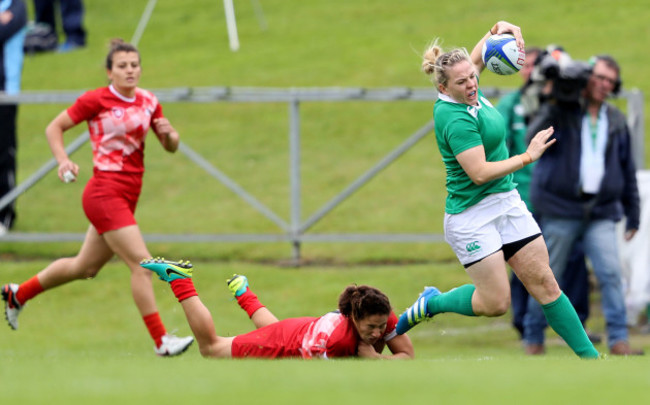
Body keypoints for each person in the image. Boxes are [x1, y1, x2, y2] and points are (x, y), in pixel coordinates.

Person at [395, 21, 600, 359]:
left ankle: (593, 361)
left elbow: (478, 55)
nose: (472, 84)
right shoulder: (453, 117)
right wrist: (527, 156)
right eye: (462, 82)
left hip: (506, 203)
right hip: (471, 216)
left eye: (473, 77)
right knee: (496, 303)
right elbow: (478, 173)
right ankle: (431, 303)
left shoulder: (465, 82)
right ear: (444, 89)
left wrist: (503, 30)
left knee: (545, 284)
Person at [1, 39, 194, 357]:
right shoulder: (97, 100)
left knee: (84, 267)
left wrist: (171, 135)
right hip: (104, 193)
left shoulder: (149, 101)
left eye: (134, 65)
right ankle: (162, 340)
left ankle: (18, 294)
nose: (130, 70)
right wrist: (63, 160)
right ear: (109, 72)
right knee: (142, 266)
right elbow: (55, 128)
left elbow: (169, 146)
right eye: (122, 66)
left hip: (128, 197)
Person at [522, 54, 643, 356]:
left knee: (611, 274)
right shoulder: (562, 112)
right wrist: (554, 101)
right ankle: (533, 339)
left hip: (601, 211)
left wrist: (634, 215)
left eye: (610, 82)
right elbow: (530, 136)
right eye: (599, 78)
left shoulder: (614, 119)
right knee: (545, 275)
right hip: (561, 209)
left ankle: (618, 340)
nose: (604, 85)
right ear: (586, 79)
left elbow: (627, 170)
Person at [497, 47, 595, 343]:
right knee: (523, 264)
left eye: (533, 67)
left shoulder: (566, 105)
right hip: (521, 197)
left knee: (573, 259)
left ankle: (576, 323)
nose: (529, 73)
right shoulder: (511, 104)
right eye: (524, 67)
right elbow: (497, 147)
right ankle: (524, 324)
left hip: (555, 198)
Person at [140, 258, 415, 359]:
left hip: (297, 329)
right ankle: (180, 281)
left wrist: (378, 358)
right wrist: (377, 360)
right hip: (286, 344)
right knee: (211, 348)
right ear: (354, 318)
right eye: (371, 327)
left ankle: (243, 292)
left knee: (273, 328)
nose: (379, 332)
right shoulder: (338, 342)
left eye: (382, 326)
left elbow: (407, 356)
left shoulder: (384, 315)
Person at [0, 0, 27, 235]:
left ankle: (4, 216)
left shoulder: (17, 5)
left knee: (4, 154)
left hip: (6, 94)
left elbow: (4, 32)